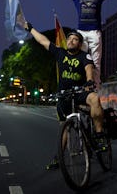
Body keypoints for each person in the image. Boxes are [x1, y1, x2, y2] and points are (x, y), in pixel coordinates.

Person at [23, 21, 105, 170]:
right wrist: (30, 29)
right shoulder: (60, 53)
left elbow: (89, 70)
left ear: (79, 44)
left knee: (94, 98)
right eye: (69, 39)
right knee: (64, 128)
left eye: (75, 39)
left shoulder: (84, 56)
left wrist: (89, 82)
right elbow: (43, 40)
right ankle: (59, 157)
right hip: (64, 96)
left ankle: (99, 136)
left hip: (80, 92)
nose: (71, 41)